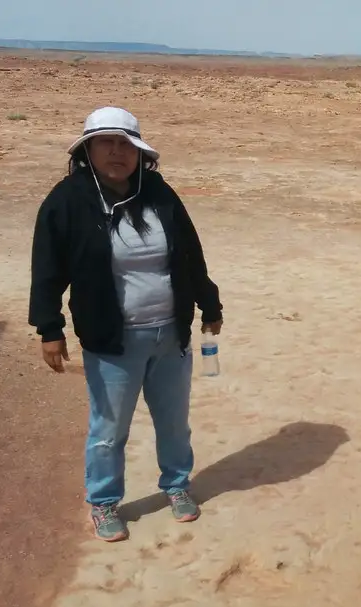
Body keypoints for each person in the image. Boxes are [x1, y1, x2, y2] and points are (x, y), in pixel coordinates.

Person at [29, 106, 223, 543]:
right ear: (88, 150)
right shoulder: (68, 200)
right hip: (112, 340)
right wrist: (49, 327)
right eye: (106, 143)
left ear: (138, 152)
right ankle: (103, 502)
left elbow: (189, 254)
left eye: (125, 144)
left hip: (170, 333)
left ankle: (176, 486)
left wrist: (209, 305)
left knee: (174, 422)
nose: (116, 152)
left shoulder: (158, 192)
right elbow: (47, 268)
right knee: (109, 429)